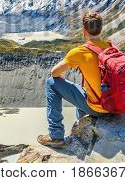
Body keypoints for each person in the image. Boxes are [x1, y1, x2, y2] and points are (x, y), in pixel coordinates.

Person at [37, 12, 110, 147]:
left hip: (99, 109)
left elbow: (54, 73)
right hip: (115, 107)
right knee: (82, 88)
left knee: (51, 83)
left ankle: (55, 135)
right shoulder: (112, 48)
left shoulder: (79, 52)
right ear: (101, 29)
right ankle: (83, 124)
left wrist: (60, 76)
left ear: (84, 30)